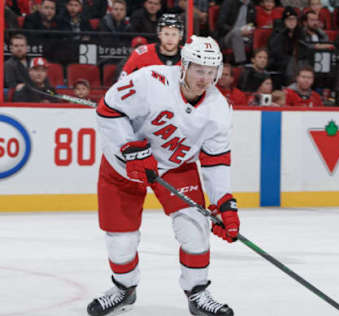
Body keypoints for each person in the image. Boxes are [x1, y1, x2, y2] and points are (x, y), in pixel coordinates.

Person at [87, 35, 240, 316]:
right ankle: (124, 289)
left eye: (210, 72)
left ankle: (197, 292)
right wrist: (130, 149)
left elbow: (216, 159)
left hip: (175, 168)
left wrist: (224, 203)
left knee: (195, 231)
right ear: (183, 66)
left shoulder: (219, 109)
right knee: (121, 241)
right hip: (121, 168)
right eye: (198, 70)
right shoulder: (149, 80)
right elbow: (107, 109)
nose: (204, 78)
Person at [121, 13, 183, 77]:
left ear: (180, 36)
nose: (170, 39)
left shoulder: (188, 57)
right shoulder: (142, 54)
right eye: (166, 34)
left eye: (174, 34)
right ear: (159, 34)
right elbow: (121, 82)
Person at [215, 0, 256, 65]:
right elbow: (220, 24)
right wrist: (239, 30)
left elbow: (253, 22)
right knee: (237, 33)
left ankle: (255, 64)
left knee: (258, 34)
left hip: (246, 35)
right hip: (227, 36)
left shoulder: (251, 5)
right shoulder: (228, 3)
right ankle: (241, 64)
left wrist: (250, 28)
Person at [267, 6, 300, 86]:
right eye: (289, 19)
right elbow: (276, 52)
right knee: (291, 61)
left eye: (294, 19)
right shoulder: (278, 33)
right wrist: (285, 31)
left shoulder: (300, 33)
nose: (291, 22)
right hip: (278, 62)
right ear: (284, 21)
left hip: (296, 64)